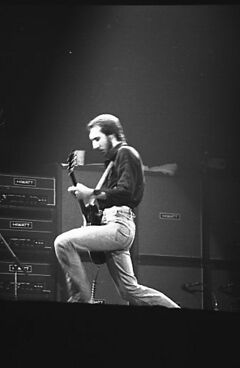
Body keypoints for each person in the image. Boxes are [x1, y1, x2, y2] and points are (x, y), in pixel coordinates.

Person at [54, 113, 180, 307]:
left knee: (62, 243)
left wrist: (91, 192)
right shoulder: (113, 161)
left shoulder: (126, 153)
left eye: (97, 139)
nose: (95, 145)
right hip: (113, 224)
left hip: (119, 225)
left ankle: (81, 301)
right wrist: (88, 204)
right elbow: (108, 198)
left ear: (111, 135)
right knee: (129, 291)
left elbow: (126, 192)